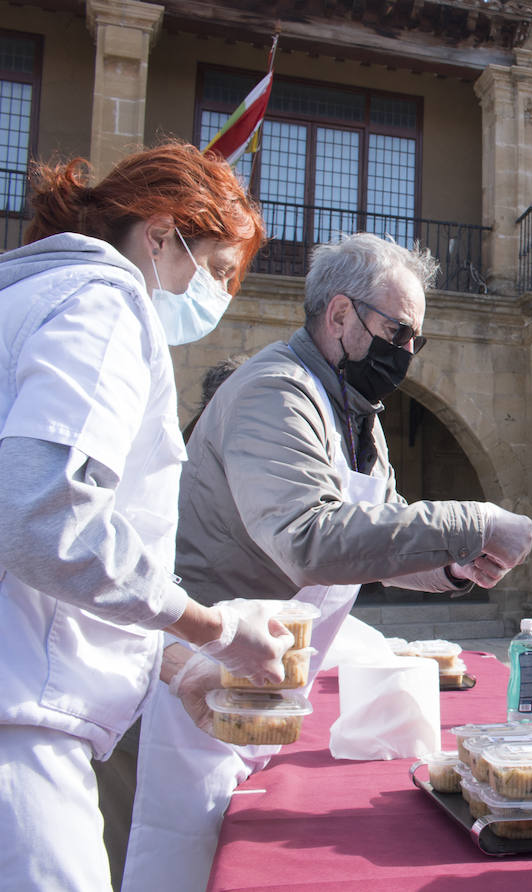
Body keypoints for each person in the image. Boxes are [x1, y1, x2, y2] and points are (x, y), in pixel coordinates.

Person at [122, 232, 532, 892]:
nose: (406, 352)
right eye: (398, 332)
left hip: (271, 679)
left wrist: (456, 567)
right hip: (206, 676)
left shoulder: (356, 413)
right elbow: (310, 538)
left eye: (416, 341)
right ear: (339, 314)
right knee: (185, 855)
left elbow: (380, 538)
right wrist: (472, 523)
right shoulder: (275, 393)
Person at [0, 144, 294, 891]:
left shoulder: (34, 297)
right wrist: (212, 629)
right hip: (19, 721)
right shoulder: (101, 304)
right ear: (161, 234)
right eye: (220, 270)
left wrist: (170, 663)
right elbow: (44, 515)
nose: (220, 296)